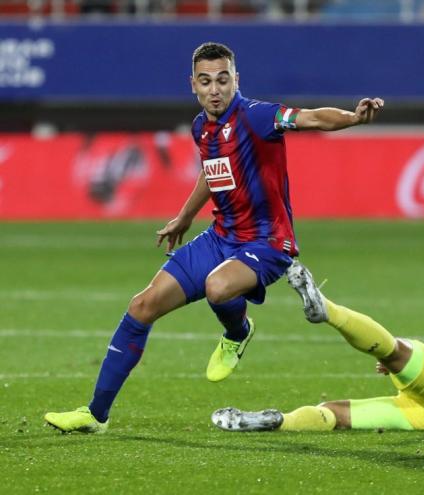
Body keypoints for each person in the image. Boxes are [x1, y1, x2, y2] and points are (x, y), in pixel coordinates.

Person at [44, 42, 384, 433]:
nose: (215, 89)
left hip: (267, 243)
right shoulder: (200, 127)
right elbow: (213, 171)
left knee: (218, 287)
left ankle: (237, 332)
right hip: (220, 237)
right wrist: (184, 217)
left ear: (236, 80)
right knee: (142, 306)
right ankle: (94, 415)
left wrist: (353, 119)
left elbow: (311, 118)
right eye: (206, 82)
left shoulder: (257, 116)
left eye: (223, 80)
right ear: (193, 85)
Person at [211, 261, 424, 432]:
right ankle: (279, 422)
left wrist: (420, 362)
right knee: (338, 413)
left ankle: (325, 309)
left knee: (393, 350)